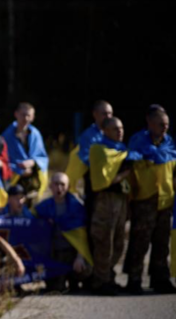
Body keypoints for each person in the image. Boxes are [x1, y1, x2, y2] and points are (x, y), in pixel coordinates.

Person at [125, 109, 176, 294]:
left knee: (162, 242)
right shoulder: (138, 141)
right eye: (161, 124)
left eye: (167, 125)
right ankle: (134, 279)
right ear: (150, 122)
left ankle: (160, 279)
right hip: (144, 199)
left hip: (165, 199)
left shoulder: (169, 142)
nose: (165, 128)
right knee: (140, 241)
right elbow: (130, 169)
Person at [88, 116, 135, 295]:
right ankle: (100, 281)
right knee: (104, 241)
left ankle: (109, 276)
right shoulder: (98, 149)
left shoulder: (123, 150)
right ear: (105, 131)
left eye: (121, 128)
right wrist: (124, 172)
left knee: (118, 242)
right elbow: (102, 180)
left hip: (121, 200)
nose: (120, 132)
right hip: (105, 201)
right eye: (116, 129)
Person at [34, 173, 93, 292]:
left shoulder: (76, 207)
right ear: (50, 186)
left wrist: (80, 257)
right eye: (56, 184)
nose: (59, 188)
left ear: (68, 186)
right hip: (54, 254)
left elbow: (81, 235)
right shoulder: (43, 207)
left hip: (72, 253)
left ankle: (75, 279)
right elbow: (28, 221)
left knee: (85, 270)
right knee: (55, 288)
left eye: (62, 184)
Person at [2, 103, 49, 200]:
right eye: (23, 115)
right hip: (14, 181)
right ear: (16, 114)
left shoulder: (35, 134)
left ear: (33, 117)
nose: (26, 118)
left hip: (33, 180)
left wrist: (32, 162)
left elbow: (42, 157)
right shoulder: (7, 135)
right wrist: (19, 170)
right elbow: (4, 160)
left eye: (29, 116)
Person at [66, 100, 114, 188]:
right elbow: (85, 157)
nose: (108, 117)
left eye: (110, 113)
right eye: (104, 114)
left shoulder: (116, 132)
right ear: (95, 114)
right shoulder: (88, 136)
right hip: (94, 181)